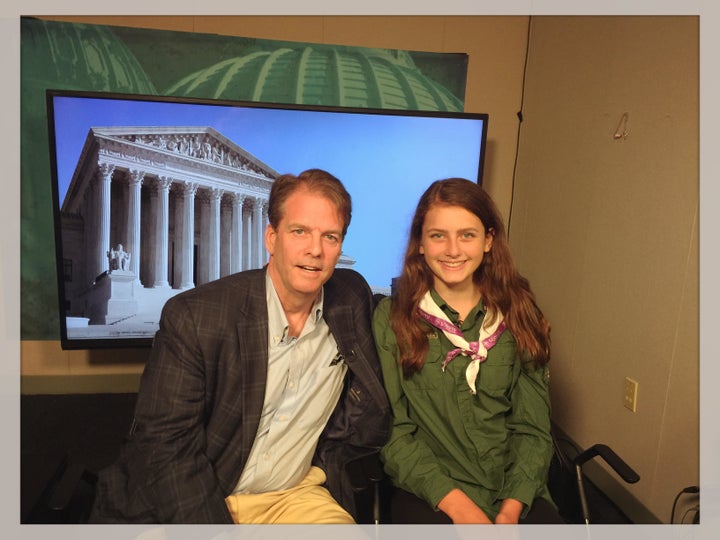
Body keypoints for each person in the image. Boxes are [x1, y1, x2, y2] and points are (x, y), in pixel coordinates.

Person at [91, 168, 391, 524]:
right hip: (196, 497)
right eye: (300, 232)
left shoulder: (350, 297)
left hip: (296, 495)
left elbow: (408, 312)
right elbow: (165, 447)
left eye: (330, 236)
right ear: (272, 238)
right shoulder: (195, 317)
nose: (315, 250)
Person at [373, 178, 562, 524]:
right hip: (433, 491)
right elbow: (394, 434)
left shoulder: (520, 314)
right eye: (438, 235)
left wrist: (509, 512)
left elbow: (533, 430)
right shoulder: (393, 319)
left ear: (489, 240)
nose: (453, 250)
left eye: (467, 235)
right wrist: (462, 511)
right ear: (420, 244)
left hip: (513, 489)